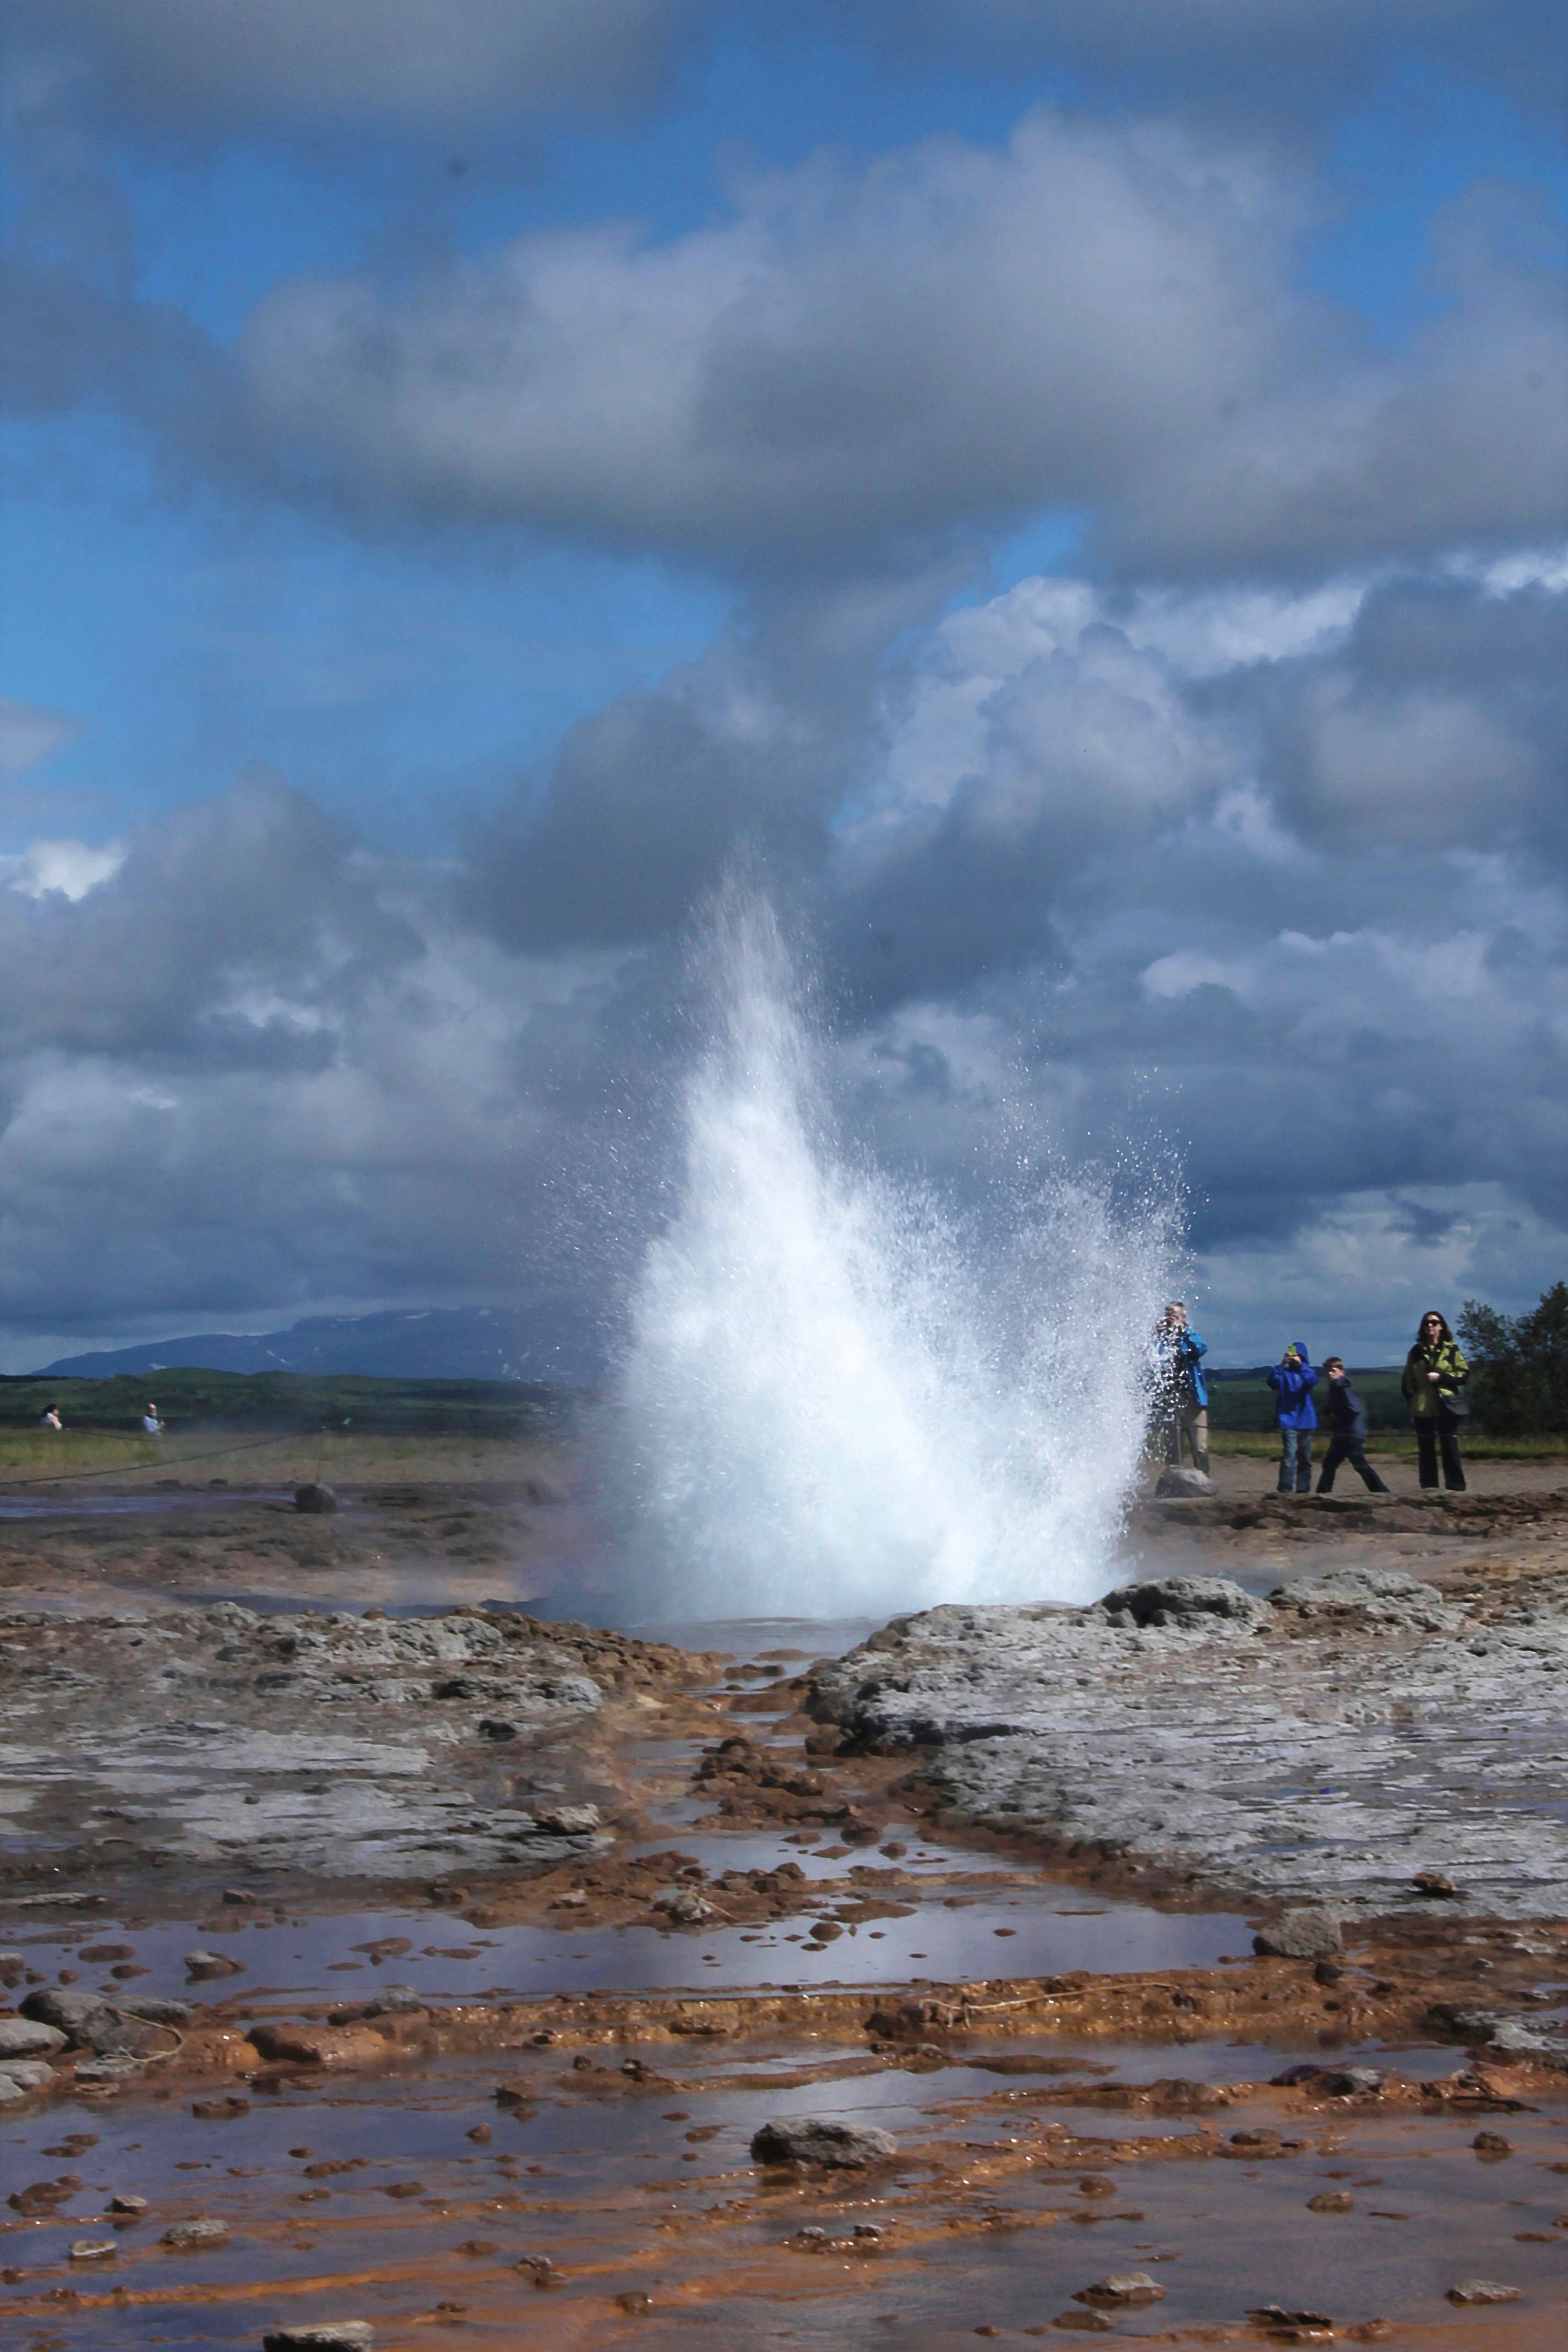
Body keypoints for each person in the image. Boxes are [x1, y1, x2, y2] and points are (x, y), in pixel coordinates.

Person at [1401, 1310, 1468, 1491]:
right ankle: (1429, 1488)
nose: (1430, 1326)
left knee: (1450, 1447)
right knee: (1426, 1450)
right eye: (1426, 1323)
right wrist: (1414, 1400)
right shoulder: (1416, 1352)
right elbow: (1407, 1381)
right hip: (1423, 1407)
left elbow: (1463, 1376)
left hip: (1447, 1405)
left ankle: (1456, 1488)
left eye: (1434, 1322)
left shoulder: (1452, 1349)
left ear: (1441, 1326)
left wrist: (1441, 1377)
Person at [1315, 1358, 1390, 1494]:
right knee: (1331, 1464)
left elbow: (1354, 1409)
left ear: (1341, 1372)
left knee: (1358, 1465)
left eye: (1333, 1371)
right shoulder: (1337, 1387)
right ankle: (1323, 1492)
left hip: (1349, 1434)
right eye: (1327, 1371)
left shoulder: (1341, 1388)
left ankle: (1381, 1491)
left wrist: (1336, 1415)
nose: (1330, 1374)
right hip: (1344, 1433)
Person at [1153, 1301, 1209, 1474]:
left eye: (1175, 1315)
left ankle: (1203, 1477)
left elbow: (1200, 1349)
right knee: (1173, 1444)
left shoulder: (1190, 1335)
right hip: (1171, 1400)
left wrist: (1183, 1331)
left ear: (1183, 1317)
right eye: (1168, 1314)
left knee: (1199, 1443)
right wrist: (1156, 1333)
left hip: (1193, 1399)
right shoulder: (1160, 1341)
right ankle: (1173, 1478)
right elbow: (1152, 1360)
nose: (1171, 1318)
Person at [1267, 1342, 1317, 1494]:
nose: (1295, 1358)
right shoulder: (1284, 1374)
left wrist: (1301, 1366)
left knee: (1305, 1457)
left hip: (1305, 1420)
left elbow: (1312, 1381)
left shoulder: (1308, 1372)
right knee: (1289, 1455)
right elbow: (1272, 1382)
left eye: (1298, 1355)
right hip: (1288, 1419)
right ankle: (1285, 1488)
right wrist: (1282, 1365)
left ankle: (1303, 1489)